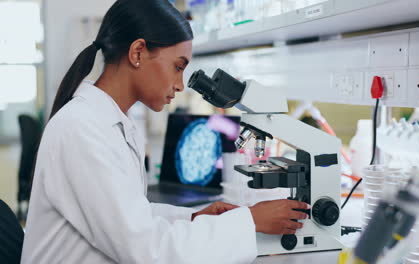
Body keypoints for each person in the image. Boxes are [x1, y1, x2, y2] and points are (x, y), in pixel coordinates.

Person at [21, 0, 310, 263]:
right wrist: (250, 220)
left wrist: (194, 216)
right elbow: (149, 250)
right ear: (137, 52)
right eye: (177, 67)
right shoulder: (81, 130)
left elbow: (132, 217)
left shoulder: (108, 123)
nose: (181, 84)